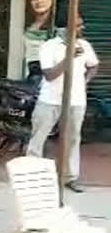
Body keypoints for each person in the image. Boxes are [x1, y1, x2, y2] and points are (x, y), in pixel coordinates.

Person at [27, 13, 99, 193]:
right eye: (77, 25)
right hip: (49, 100)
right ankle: (32, 176)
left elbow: (94, 65)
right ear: (63, 29)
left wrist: (85, 80)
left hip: (76, 101)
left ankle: (69, 177)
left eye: (81, 25)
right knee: (39, 138)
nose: (82, 28)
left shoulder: (84, 45)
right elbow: (49, 75)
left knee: (73, 139)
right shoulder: (49, 47)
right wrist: (69, 57)